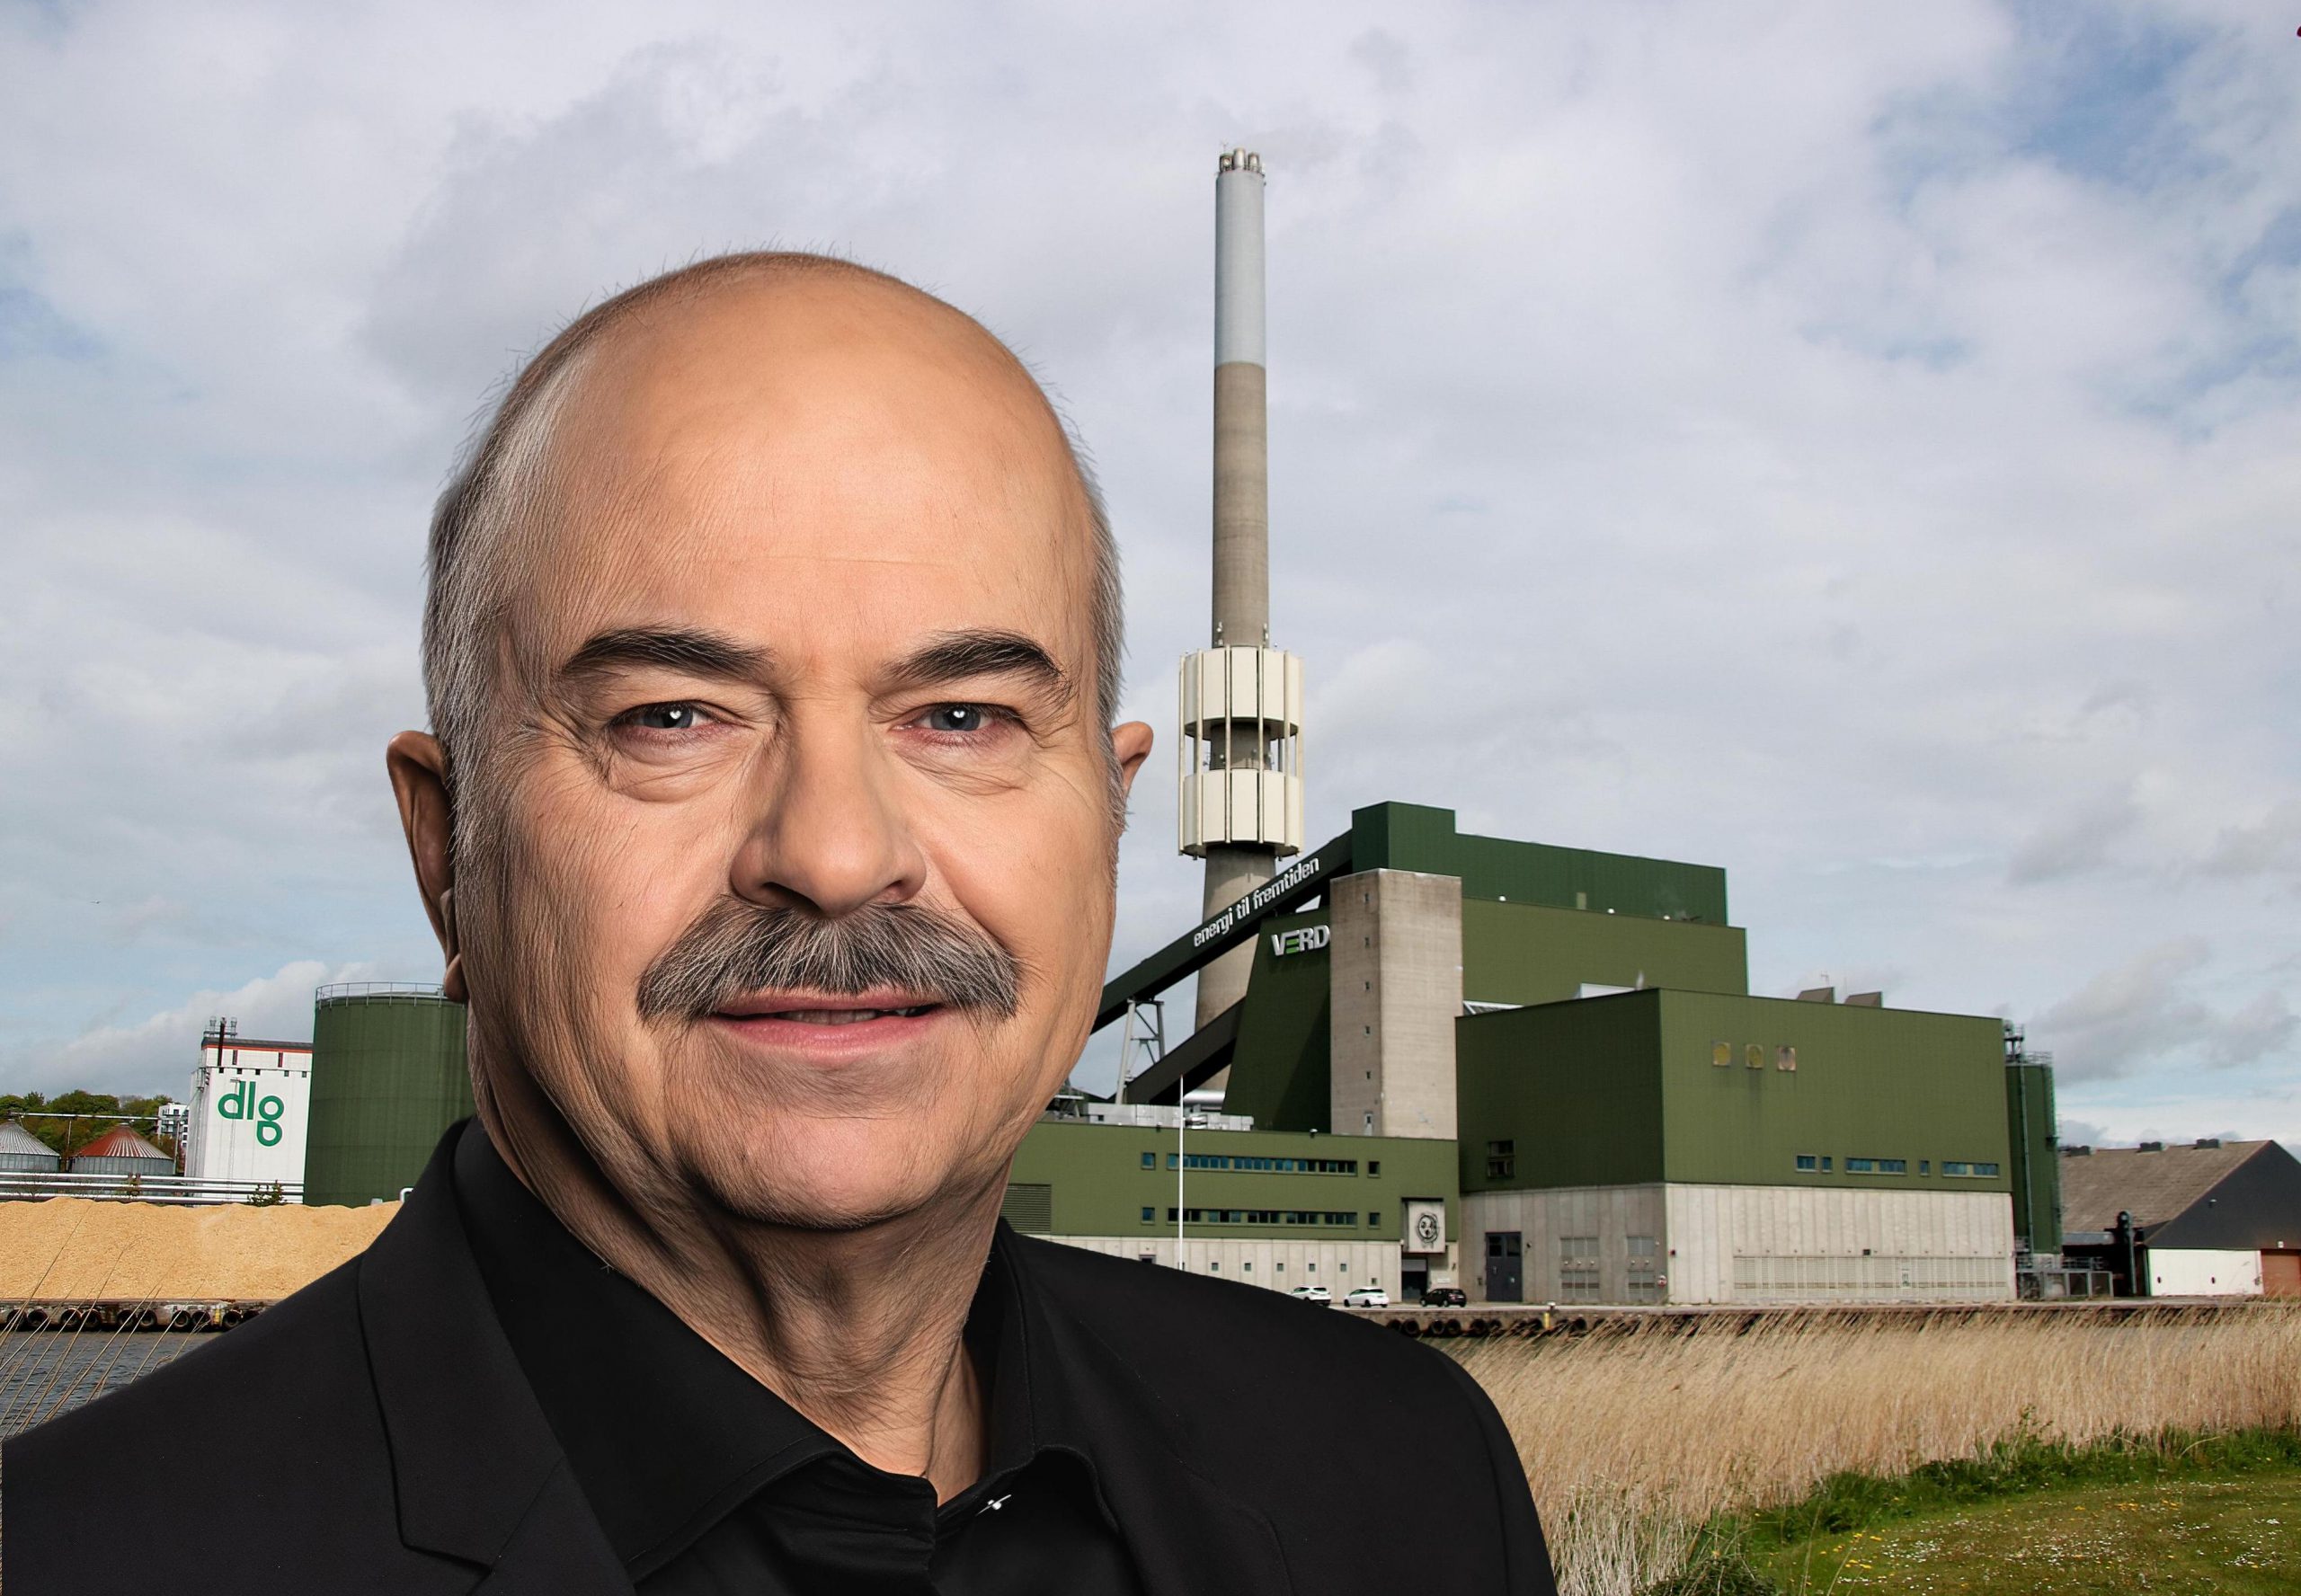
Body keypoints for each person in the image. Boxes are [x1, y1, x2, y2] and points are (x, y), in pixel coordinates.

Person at [6, 253, 1554, 1594]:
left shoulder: (1403, 1483)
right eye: (672, 716)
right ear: (446, 853)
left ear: (1111, 813)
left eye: (961, 715)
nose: (834, 854)